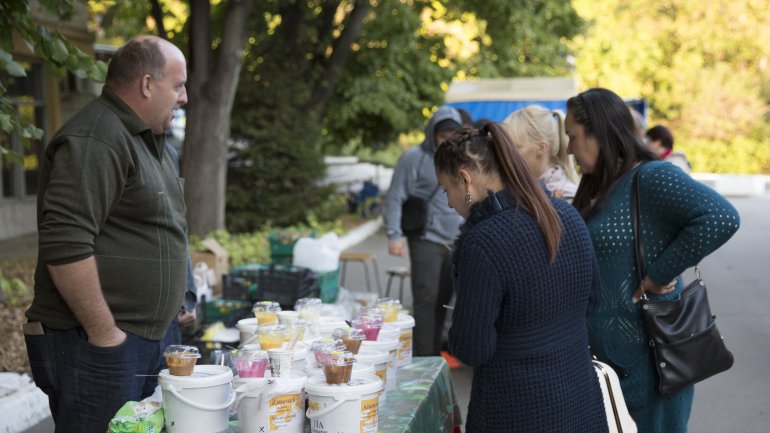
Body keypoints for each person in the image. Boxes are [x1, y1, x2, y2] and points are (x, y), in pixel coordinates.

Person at [24, 35, 189, 432]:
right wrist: (105, 334)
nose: (184, 97)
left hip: (149, 339)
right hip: (99, 344)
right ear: (147, 85)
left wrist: (183, 298)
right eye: (178, 85)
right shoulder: (97, 138)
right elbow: (65, 244)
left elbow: (168, 227)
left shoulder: (153, 142)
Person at [565, 88, 740, 433]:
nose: (569, 148)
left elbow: (720, 217)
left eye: (573, 137)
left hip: (649, 364)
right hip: (606, 364)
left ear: (598, 132)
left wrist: (659, 274)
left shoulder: (650, 177)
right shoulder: (598, 185)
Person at [436, 124, 608, 433]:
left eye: (446, 189)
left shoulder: (483, 243)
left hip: (516, 408)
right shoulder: (568, 215)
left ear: (465, 180)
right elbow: (592, 299)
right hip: (579, 396)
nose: (449, 202)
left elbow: (472, 348)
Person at [383, 105, 464, 356]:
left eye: (453, 132)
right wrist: (394, 234)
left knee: (444, 301)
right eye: (443, 133)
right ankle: (423, 359)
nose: (448, 138)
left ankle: (432, 355)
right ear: (433, 133)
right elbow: (395, 196)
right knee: (426, 302)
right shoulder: (414, 158)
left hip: (457, 240)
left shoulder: (464, 157)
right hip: (426, 239)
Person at [502, 105, 579, 199]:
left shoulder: (568, 198)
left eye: (515, 147)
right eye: (504, 147)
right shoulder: (520, 191)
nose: (506, 154)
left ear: (541, 148)